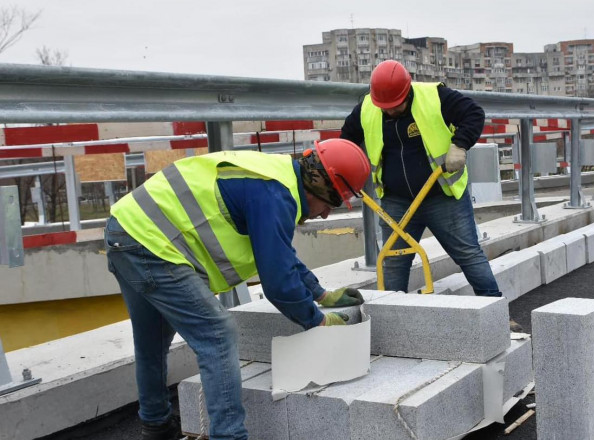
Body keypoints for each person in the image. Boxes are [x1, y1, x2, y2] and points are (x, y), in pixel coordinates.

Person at [105, 139, 370, 440]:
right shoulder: (275, 194)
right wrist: (318, 320)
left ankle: (156, 427)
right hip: (150, 245)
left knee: (152, 342)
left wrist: (320, 293)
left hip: (125, 231)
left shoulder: (275, 178)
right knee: (217, 333)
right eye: (331, 204)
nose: (325, 215)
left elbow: (279, 256)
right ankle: (228, 436)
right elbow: (279, 283)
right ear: (318, 184)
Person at [339, 60, 502, 298]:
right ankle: (392, 319)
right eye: (385, 106)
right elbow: (347, 141)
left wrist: (460, 144)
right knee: (394, 263)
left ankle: (495, 310)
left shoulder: (435, 96)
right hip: (397, 202)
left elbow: (473, 113)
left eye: (395, 105)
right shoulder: (367, 108)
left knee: (468, 254)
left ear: (407, 91)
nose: (390, 111)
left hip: (441, 196)